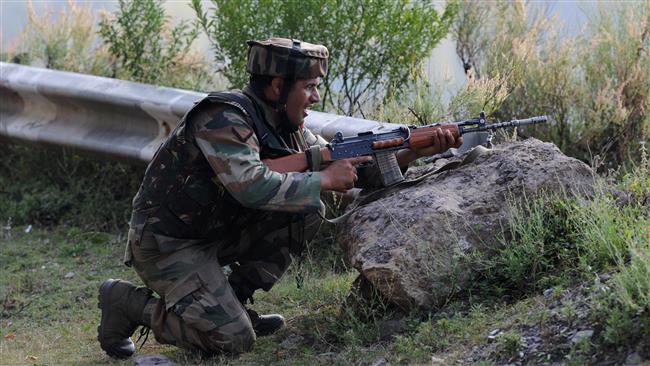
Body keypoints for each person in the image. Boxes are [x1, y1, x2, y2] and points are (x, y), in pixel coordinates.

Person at [97, 37, 462, 359]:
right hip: (169, 243)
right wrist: (322, 177)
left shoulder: (288, 128)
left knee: (306, 210)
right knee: (233, 340)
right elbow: (251, 185)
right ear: (276, 86)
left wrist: (414, 150)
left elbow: (359, 174)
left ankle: (232, 300)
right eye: (308, 86)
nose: (316, 97)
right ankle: (128, 304)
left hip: (216, 231)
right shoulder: (223, 118)